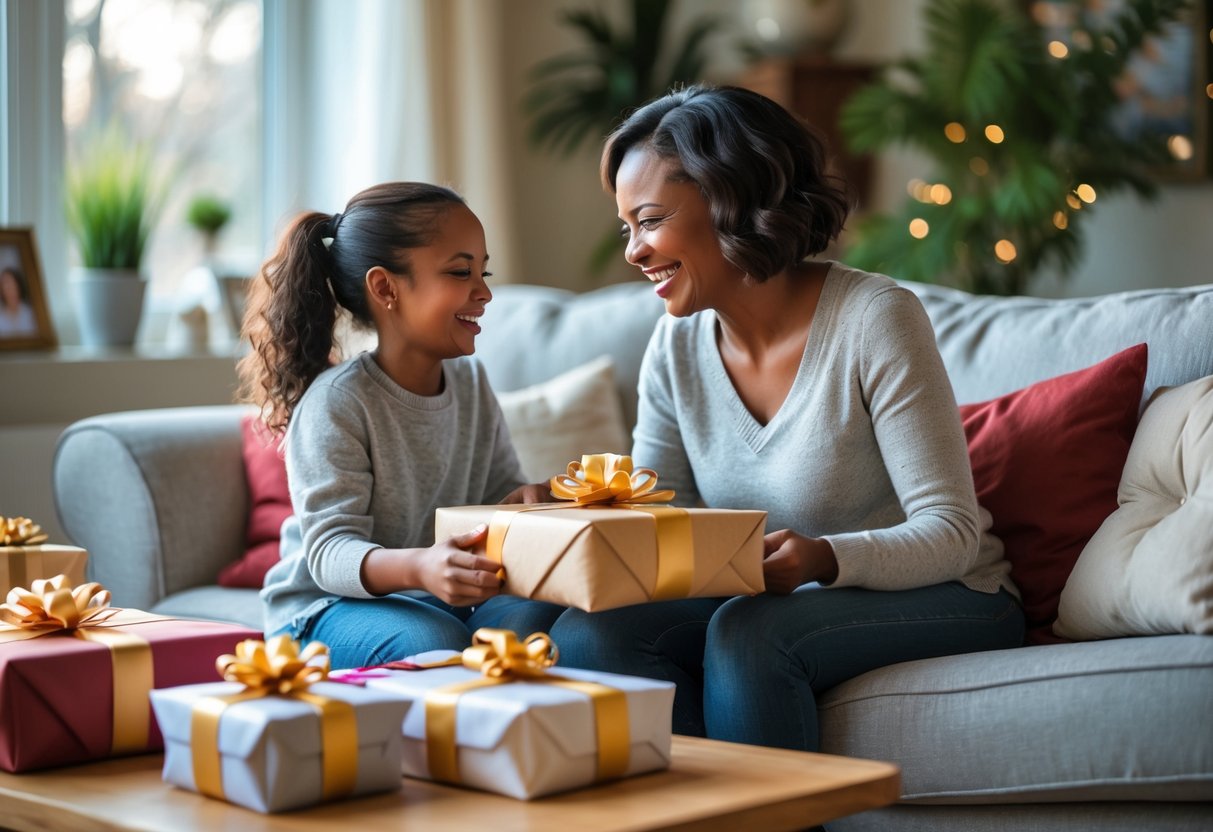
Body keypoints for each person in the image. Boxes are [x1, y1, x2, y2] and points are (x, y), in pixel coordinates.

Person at [548, 85, 1024, 749]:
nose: (632, 251)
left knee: (749, 633)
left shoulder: (873, 318)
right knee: (586, 633)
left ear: (730, 199)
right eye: (626, 228)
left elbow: (951, 534)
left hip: (950, 592)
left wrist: (824, 559)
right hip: (780, 595)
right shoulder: (674, 345)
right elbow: (664, 519)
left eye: (650, 221)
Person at [243, 182, 563, 669]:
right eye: (461, 272)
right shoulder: (338, 402)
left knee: (532, 620)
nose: (485, 291)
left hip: (425, 594)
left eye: (484, 271)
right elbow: (329, 554)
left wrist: (526, 500)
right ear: (385, 287)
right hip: (322, 609)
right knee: (432, 640)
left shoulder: (471, 382)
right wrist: (422, 565)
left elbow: (497, 492)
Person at [0, 267, 37, 338]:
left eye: (13, 285)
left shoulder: (31, 313)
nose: (11, 290)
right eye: (6, 286)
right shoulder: (1, 318)